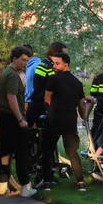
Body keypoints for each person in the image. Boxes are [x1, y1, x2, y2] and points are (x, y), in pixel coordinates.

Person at [42, 52, 91, 191]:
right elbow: (81, 104)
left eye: (57, 63)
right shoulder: (77, 83)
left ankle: (47, 182)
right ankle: (80, 182)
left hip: (54, 119)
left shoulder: (53, 79)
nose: (54, 66)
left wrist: (49, 110)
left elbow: (47, 99)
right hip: (70, 120)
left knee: (47, 149)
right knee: (72, 151)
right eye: (54, 63)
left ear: (66, 64)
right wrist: (84, 117)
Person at [0, 45, 36, 198]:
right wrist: (20, 118)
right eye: (23, 60)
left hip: (2, 114)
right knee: (22, 151)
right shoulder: (12, 75)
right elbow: (11, 98)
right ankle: (25, 186)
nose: (25, 63)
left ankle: (3, 186)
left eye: (27, 61)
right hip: (10, 117)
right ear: (14, 59)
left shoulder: (9, 72)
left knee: (5, 151)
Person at [25, 42, 66, 127]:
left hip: (38, 104)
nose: (65, 56)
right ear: (56, 53)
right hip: (42, 106)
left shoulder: (46, 64)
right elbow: (55, 86)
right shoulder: (48, 67)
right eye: (63, 53)